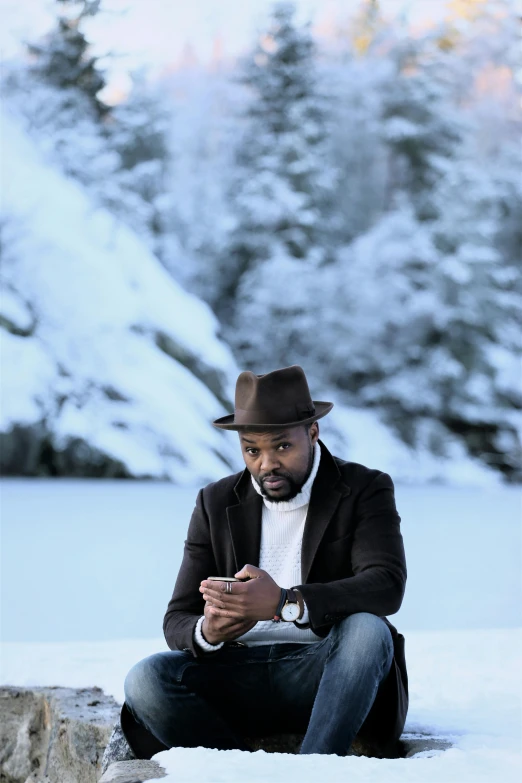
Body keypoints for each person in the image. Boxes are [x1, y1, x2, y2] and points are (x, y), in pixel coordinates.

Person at [120, 365, 408, 758]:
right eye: (252, 450)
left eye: (282, 447)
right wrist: (210, 631)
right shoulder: (215, 501)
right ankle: (242, 769)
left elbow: (386, 584)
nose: (266, 463)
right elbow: (177, 619)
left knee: (367, 632)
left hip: (326, 671)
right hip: (238, 676)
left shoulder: (364, 488)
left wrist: (286, 603)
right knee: (146, 678)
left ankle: (313, 770)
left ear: (312, 433)